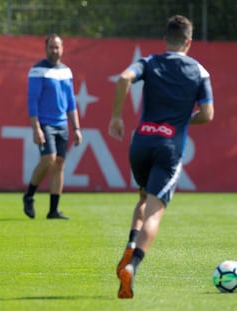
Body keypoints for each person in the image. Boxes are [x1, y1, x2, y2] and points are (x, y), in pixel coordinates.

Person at [108, 15, 214, 298]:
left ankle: (131, 243)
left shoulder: (150, 61)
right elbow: (208, 114)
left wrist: (117, 117)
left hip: (140, 143)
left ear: (165, 39)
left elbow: (123, 78)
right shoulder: (200, 72)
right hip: (168, 147)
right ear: (189, 42)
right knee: (155, 208)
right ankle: (133, 266)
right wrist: (181, 121)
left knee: (143, 197)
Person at [23, 34, 82, 220]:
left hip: (62, 124)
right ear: (46, 48)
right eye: (51, 47)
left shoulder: (66, 71)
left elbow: (71, 101)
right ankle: (29, 195)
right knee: (49, 158)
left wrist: (77, 128)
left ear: (62, 48)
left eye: (57, 47)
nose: (54, 51)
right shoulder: (37, 70)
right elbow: (32, 101)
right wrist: (36, 128)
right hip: (45, 123)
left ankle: (53, 210)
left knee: (59, 165)